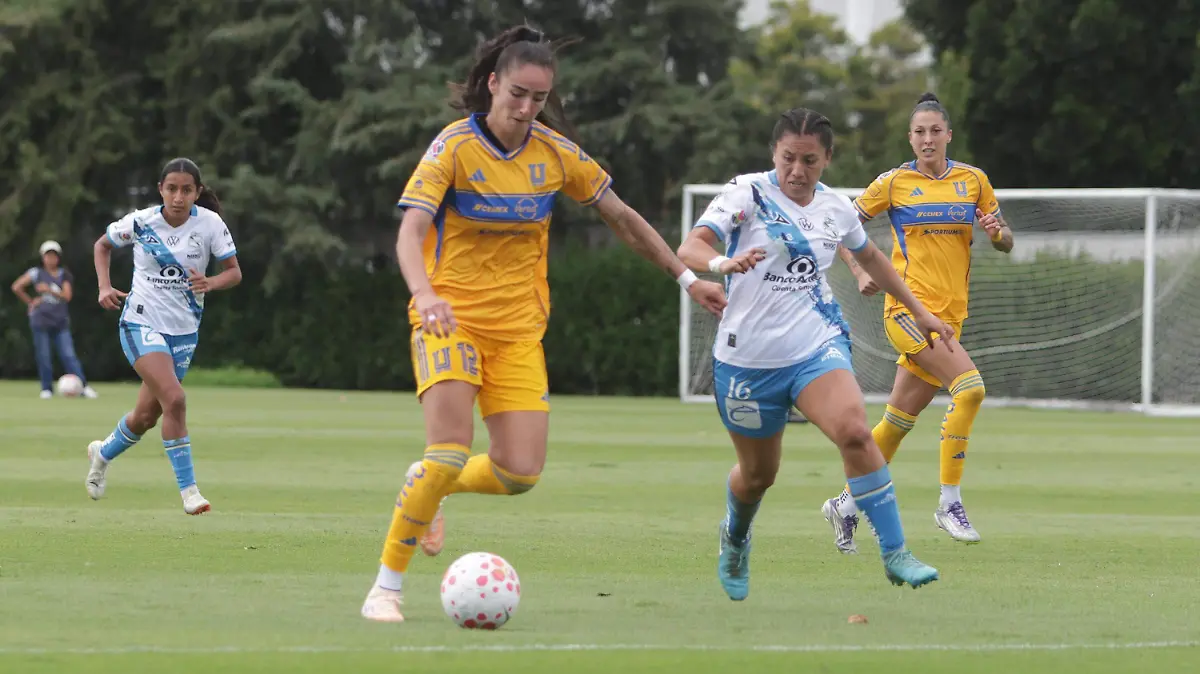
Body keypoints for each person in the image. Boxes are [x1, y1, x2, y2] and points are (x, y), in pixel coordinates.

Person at [360, 24, 727, 623]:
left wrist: (688, 280)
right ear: (492, 83)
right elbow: (410, 233)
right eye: (518, 94)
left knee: (519, 473)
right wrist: (424, 294)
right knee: (448, 452)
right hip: (449, 320)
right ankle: (386, 588)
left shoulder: (555, 154)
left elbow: (623, 218)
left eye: (539, 98)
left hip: (518, 333)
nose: (527, 108)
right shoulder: (454, 147)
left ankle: (428, 484)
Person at [677, 107, 953, 600]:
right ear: (774, 154)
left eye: (809, 160)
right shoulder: (747, 193)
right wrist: (722, 262)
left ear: (826, 159)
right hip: (746, 361)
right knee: (758, 476)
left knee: (854, 431)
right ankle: (735, 538)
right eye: (788, 158)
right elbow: (690, 247)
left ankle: (896, 553)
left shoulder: (835, 207)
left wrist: (921, 312)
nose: (797, 171)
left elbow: (871, 257)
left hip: (815, 345)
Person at [821, 92, 1014, 552]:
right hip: (906, 314)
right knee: (970, 389)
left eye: (935, 131)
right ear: (910, 138)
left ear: (948, 135)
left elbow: (1006, 239)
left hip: (950, 318)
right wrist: (859, 270)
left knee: (897, 421)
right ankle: (949, 503)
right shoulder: (893, 183)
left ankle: (845, 505)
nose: (928, 139)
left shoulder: (974, 181)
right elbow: (839, 226)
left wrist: (998, 234)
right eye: (920, 132)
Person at [84, 157, 242, 515]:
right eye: (172, 189)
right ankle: (190, 493)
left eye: (186, 190)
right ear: (160, 190)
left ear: (197, 192)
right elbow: (102, 245)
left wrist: (210, 282)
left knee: (145, 417)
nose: (178, 197)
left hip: (184, 332)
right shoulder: (141, 222)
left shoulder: (210, 224)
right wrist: (104, 286)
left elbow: (233, 272)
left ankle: (102, 453)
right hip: (140, 323)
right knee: (175, 399)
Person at [11, 240, 98, 399]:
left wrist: (49, 290)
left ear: (58, 257)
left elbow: (67, 296)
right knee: (43, 356)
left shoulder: (64, 274)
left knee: (68, 355)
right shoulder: (36, 273)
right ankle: (46, 389)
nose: (51, 259)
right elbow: (17, 286)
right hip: (40, 321)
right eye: (48, 255)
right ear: (43, 257)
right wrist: (31, 302)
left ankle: (83, 387)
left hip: (60, 322)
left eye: (54, 255)